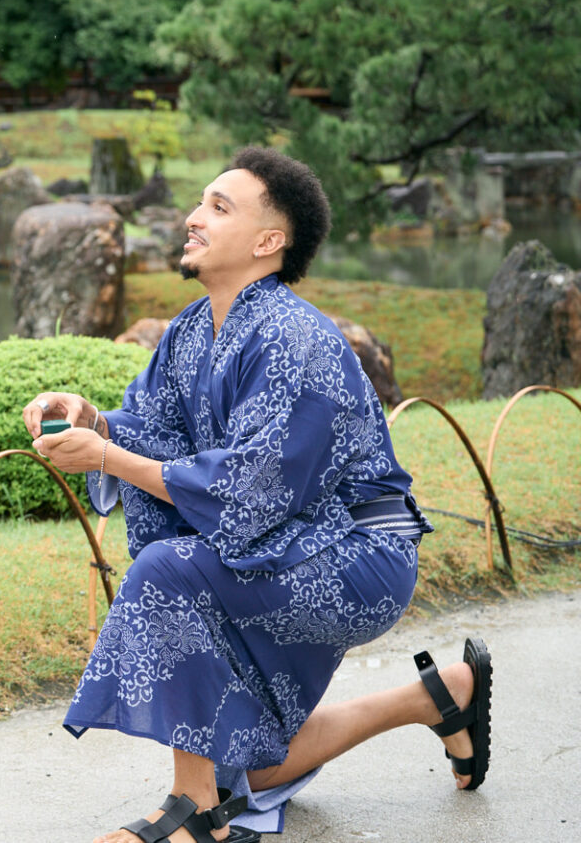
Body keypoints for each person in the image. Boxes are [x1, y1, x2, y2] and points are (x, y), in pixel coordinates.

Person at [24, 147, 491, 843]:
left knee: (166, 570)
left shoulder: (295, 337)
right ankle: (444, 694)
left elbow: (249, 492)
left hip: (358, 554)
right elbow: (149, 430)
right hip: (282, 546)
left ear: (269, 241)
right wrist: (91, 421)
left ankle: (195, 811)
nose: (193, 218)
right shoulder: (189, 330)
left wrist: (109, 456)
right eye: (199, 203)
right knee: (254, 768)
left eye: (218, 207)